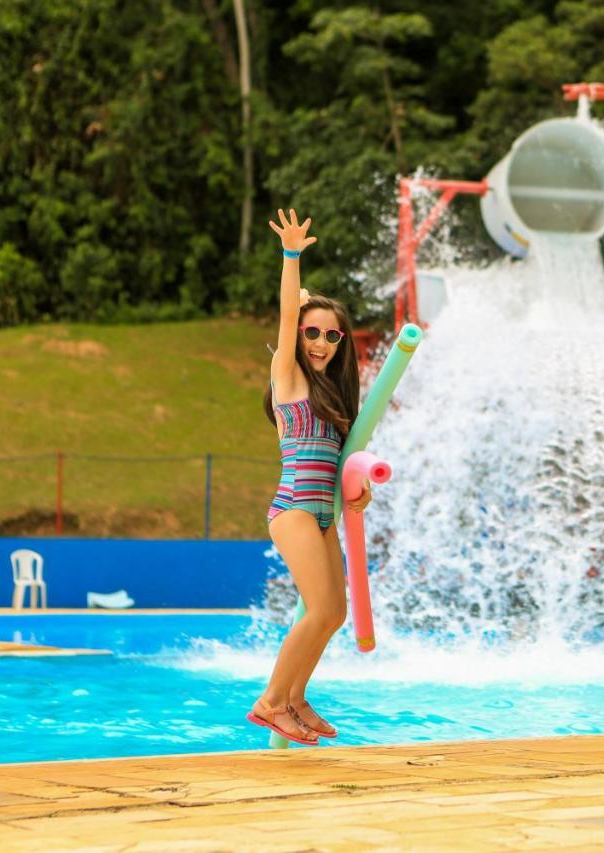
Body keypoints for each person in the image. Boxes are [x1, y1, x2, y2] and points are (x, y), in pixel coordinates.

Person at [247, 209, 373, 746]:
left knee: (336, 614)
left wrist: (357, 492)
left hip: (323, 511)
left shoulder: (335, 394)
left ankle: (296, 698)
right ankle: (272, 701)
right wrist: (291, 257)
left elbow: (340, 462)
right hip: (295, 507)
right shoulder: (289, 377)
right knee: (318, 608)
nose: (320, 342)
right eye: (312, 332)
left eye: (331, 335)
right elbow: (283, 317)